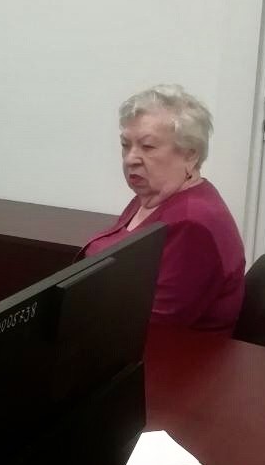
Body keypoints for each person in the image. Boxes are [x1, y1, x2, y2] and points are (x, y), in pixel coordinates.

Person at [81, 85, 245, 332]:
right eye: (125, 145)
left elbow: (156, 325)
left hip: (165, 352)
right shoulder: (152, 195)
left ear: (190, 155)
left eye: (147, 147)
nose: (130, 158)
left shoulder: (193, 223)